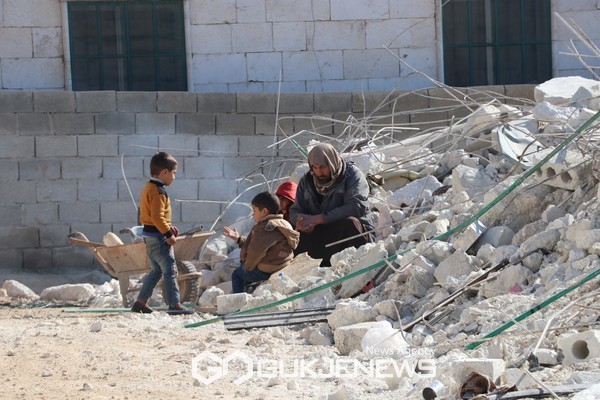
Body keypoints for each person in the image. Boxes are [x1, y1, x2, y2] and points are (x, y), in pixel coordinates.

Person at [289, 142, 373, 267]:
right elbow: (295, 210)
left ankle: (358, 267)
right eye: (315, 168)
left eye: (323, 167)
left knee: (350, 222)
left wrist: (320, 218)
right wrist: (302, 221)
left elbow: (356, 207)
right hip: (322, 232)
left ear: (332, 162)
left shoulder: (352, 176)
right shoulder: (306, 181)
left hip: (349, 232)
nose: (319, 172)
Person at [131, 152, 193, 315]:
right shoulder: (159, 192)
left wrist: (168, 227)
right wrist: (167, 234)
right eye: (174, 173)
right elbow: (157, 217)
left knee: (156, 271)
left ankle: (140, 302)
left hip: (149, 235)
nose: (174, 177)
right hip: (158, 237)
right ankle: (174, 305)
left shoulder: (148, 187)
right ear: (165, 172)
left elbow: (153, 217)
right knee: (170, 270)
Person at [223, 191, 299, 294]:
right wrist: (238, 239)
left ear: (264, 212)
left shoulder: (266, 228)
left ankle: (238, 301)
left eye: (254, 210)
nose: (253, 214)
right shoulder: (283, 223)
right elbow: (258, 243)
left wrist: (246, 268)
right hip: (282, 263)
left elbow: (255, 252)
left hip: (268, 270)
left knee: (237, 274)